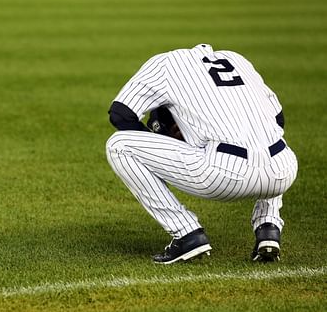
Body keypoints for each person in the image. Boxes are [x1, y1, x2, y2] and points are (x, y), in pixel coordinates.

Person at [105, 44, 298, 264]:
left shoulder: (165, 63)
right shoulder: (237, 60)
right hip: (284, 171)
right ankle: (268, 228)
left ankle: (187, 234)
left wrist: (166, 143)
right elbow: (278, 120)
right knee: (265, 135)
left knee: (118, 144)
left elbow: (121, 114)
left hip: (223, 175)